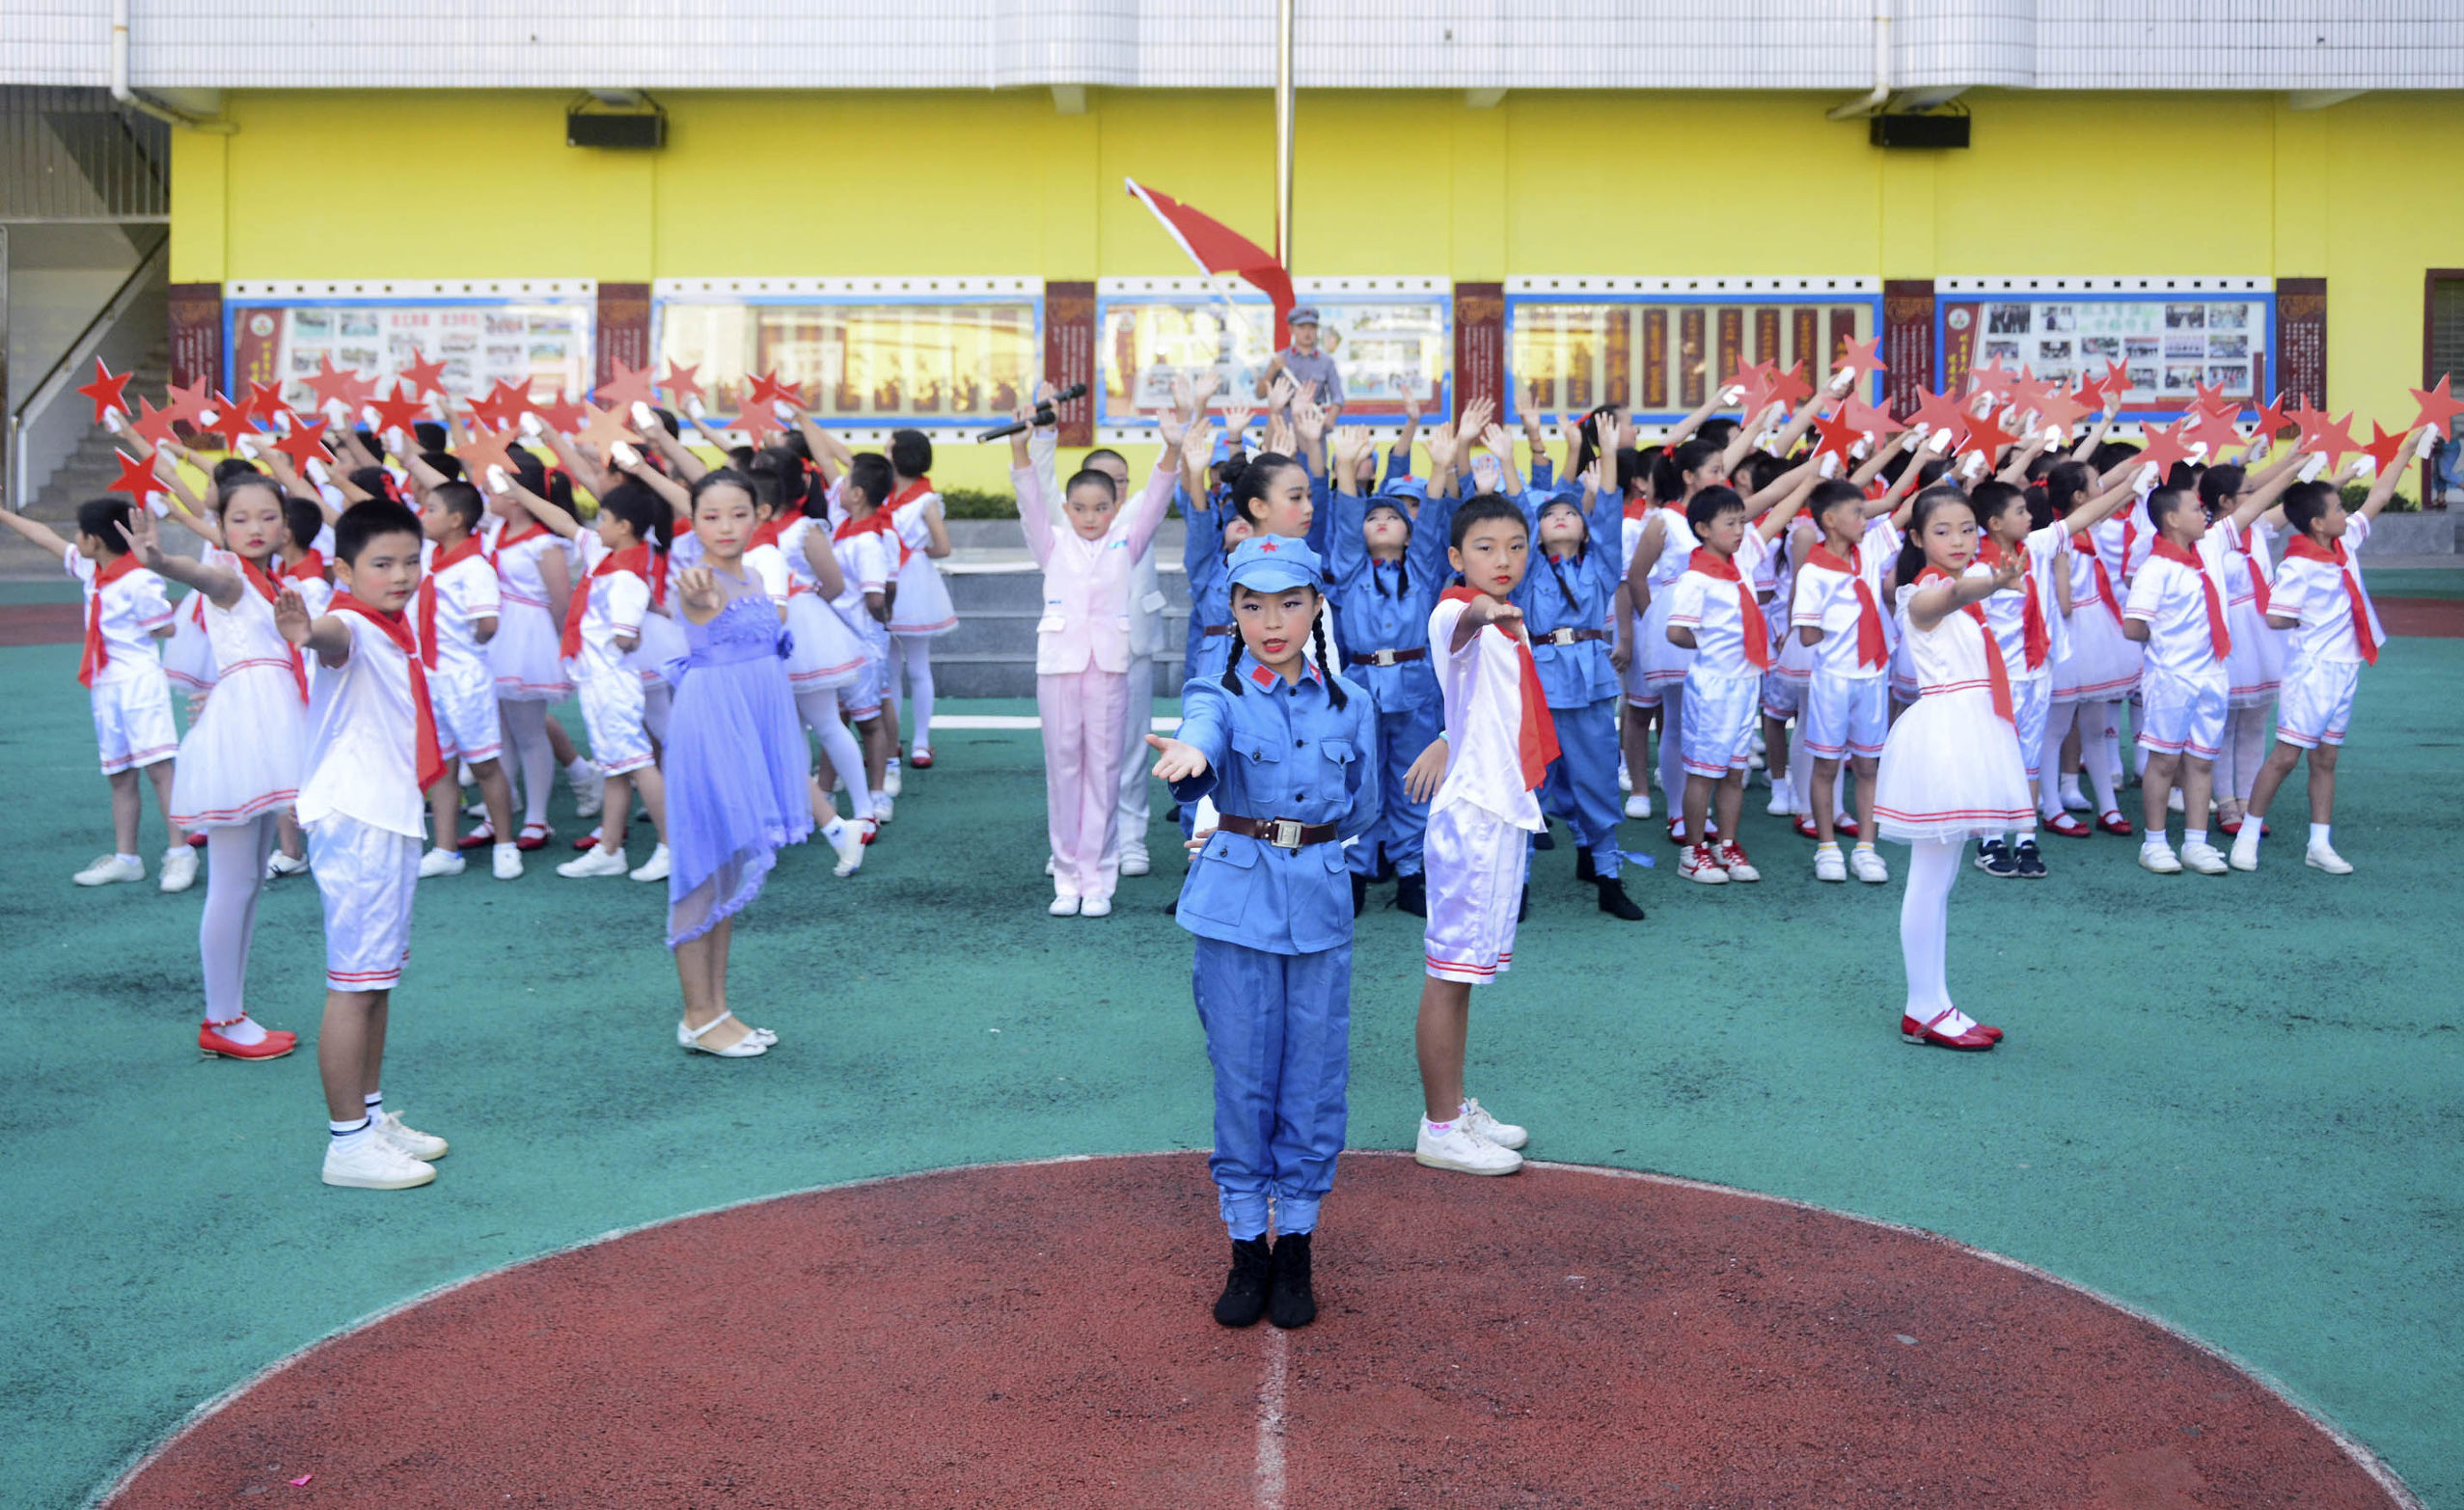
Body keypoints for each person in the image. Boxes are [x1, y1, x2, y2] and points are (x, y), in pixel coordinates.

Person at [1147, 535, 1379, 1331]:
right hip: (1236, 906)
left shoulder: (1353, 702)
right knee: (1244, 1077)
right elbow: (1203, 740)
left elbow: (1365, 803)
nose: (1270, 621)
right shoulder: (1216, 691)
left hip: (1318, 898)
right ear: (1232, 610)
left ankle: (1299, 1246)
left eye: (1288, 602)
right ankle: (1248, 1245)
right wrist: (1189, 756)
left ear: (1317, 605)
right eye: (1252, 604)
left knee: (1313, 1081)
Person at [275, 498, 452, 1189]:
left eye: (412, 559)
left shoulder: (390, 625)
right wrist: (304, 628)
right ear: (345, 569)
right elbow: (327, 637)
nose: (402, 573)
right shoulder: (351, 620)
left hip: (385, 812)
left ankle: (370, 1117)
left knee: (376, 980)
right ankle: (347, 1142)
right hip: (358, 816)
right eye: (383, 563)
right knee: (354, 985)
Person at [121, 477, 307, 1060]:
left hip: (262, 721)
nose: (255, 528)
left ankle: (232, 1013)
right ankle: (222, 1019)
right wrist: (162, 561)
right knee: (232, 882)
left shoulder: (274, 580)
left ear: (285, 524)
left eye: (268, 517)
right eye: (241, 518)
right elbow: (206, 578)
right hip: (245, 733)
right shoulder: (229, 576)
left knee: (248, 881)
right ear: (221, 527)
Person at [1407, 494, 1546, 1178]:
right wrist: (1484, 608)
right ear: (1458, 557)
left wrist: (1441, 737)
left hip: (1501, 810)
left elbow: (1478, 710)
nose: (1504, 559)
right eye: (1486, 547)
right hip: (1471, 820)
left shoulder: (1509, 623)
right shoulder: (1452, 613)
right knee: (1449, 974)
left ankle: (1455, 1106)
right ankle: (1439, 1125)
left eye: (1517, 545)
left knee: (1466, 976)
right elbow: (1460, 622)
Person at [1007, 402, 1189, 917]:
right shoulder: (1052, 542)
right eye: (1081, 508)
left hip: (1109, 666)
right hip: (1060, 667)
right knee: (1063, 769)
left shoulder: (1126, 543)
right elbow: (1028, 501)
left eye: (1100, 508)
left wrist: (1171, 448)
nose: (1090, 517)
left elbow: (1155, 499)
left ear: (1116, 508)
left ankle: (1099, 877)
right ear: (1067, 510)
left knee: (1104, 771)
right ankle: (1067, 876)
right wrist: (1021, 445)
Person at [662, 470, 814, 1057]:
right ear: (694, 521)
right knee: (700, 873)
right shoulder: (698, 580)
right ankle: (697, 1015)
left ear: (760, 515)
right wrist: (695, 594)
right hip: (711, 731)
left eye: (738, 514)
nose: (725, 527)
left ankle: (716, 1008)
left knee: (724, 877)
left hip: (747, 729)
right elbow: (695, 600)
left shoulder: (751, 574)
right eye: (710, 516)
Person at [1872, 486, 2030, 1051]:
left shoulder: (1967, 587)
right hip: (1945, 738)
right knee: (1928, 881)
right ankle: (1922, 1008)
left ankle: (1936, 1003)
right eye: (1942, 531)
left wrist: (1990, 581)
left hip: (1969, 730)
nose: (1958, 540)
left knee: (1940, 883)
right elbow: (1947, 597)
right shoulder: (1919, 593)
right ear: (1916, 538)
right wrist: (1991, 580)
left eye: (1967, 529)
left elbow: (1965, 589)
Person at [2231, 437, 2422, 874]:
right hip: (2312, 670)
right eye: (2337, 509)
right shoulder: (2299, 565)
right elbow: (2277, 617)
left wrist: (2406, 450)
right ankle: (2246, 834)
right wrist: (2312, 625)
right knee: (2285, 756)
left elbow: (2380, 494)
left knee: (2327, 758)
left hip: (2345, 668)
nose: (2345, 513)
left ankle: (2319, 843)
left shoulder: (2345, 542)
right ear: (2317, 523)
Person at [0, 496, 191, 892]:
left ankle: (179, 853)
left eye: (80, 533)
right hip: (106, 685)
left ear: (95, 540)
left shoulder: (138, 578)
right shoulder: (93, 570)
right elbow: (45, 538)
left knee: (159, 769)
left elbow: (166, 628)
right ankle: (127, 857)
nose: (74, 539)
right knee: (118, 772)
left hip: (139, 681)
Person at [503, 480, 673, 884]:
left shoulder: (627, 576)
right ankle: (610, 849)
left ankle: (671, 846)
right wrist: (516, 489)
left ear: (626, 526)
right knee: (617, 766)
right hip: (598, 681)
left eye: (605, 520)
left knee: (638, 763)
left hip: (613, 682)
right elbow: (562, 520)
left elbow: (627, 637)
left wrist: (623, 632)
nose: (597, 526)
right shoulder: (607, 554)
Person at [1324, 426, 1455, 919]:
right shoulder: (1352, 569)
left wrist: (1440, 468)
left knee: (1414, 779)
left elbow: (1435, 525)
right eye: (1372, 515)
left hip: (1415, 689)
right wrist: (1344, 468)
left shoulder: (1421, 570)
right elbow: (1342, 524)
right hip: (1359, 688)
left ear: (1409, 532)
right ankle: (1355, 869)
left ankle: (1410, 872)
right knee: (1359, 780)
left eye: (1392, 516)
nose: (1381, 521)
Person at [1515, 424, 1645, 919]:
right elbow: (1521, 515)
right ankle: (1519, 882)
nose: (1562, 518)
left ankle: (1608, 877)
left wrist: (1608, 455)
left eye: (1572, 512)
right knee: (1531, 784)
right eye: (1551, 514)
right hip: (1540, 685)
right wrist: (1516, 459)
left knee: (1596, 779)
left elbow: (1609, 511)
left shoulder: (1601, 564)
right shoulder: (1526, 569)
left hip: (1588, 684)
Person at [1665, 475, 1813, 884]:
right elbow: (1675, 631)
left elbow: (1779, 513)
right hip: (1714, 685)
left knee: (1734, 771)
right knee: (1704, 771)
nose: (1739, 530)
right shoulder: (1697, 578)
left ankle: (1726, 844)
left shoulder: (1740, 561)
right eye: (1728, 523)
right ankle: (1694, 852)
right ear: (1702, 530)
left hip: (1746, 683)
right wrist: (1712, 642)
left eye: (1740, 522)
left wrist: (1810, 481)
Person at [2122, 481, 2236, 875]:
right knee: (2164, 761)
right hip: (2171, 677)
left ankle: (2196, 843)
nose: (2203, 513)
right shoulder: (2156, 569)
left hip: (2211, 674)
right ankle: (2154, 843)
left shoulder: (2203, 558)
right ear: (2171, 519)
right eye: (2194, 507)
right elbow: (2134, 626)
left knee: (2202, 762)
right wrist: (2168, 647)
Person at [412, 480, 521, 880]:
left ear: (456, 520)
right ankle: (446, 849)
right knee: (441, 765)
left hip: (463, 678)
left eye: (431, 510)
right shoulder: (430, 558)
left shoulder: (473, 566)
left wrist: (470, 644)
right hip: (432, 675)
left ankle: (506, 844)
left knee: (484, 763)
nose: (424, 516)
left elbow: (488, 623)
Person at [1790, 480, 1896, 883]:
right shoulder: (1814, 571)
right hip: (1833, 677)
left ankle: (1867, 848)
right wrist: (1840, 624)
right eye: (1857, 513)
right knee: (1826, 765)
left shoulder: (1867, 551)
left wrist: (1920, 457)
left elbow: (1903, 507)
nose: (1865, 519)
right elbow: (1806, 633)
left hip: (1871, 674)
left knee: (1869, 765)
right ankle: (1828, 847)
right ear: (1830, 521)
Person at [483, 468, 577, 851]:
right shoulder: (495, 531)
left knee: (529, 732)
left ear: (516, 495)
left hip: (527, 639)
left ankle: (537, 819)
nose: (485, 493)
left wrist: (548, 645)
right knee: (499, 734)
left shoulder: (544, 544)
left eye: (493, 488)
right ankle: (497, 815)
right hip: (495, 637)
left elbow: (561, 602)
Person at [881, 428, 956, 783]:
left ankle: (896, 743)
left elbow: (944, 547)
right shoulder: (923, 499)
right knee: (917, 667)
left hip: (889, 580)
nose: (885, 450)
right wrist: (918, 551)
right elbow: (941, 547)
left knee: (894, 667)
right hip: (914, 581)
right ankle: (920, 745)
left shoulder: (897, 496)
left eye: (889, 446)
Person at [1253, 305, 1343, 417]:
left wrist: (1331, 418)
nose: (1307, 332)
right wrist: (1271, 370)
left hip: (1314, 424)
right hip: (1284, 425)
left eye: (1312, 327)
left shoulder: (1326, 362)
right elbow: (1259, 394)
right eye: (1301, 327)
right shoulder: (1279, 359)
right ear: (1291, 329)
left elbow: (1338, 396)